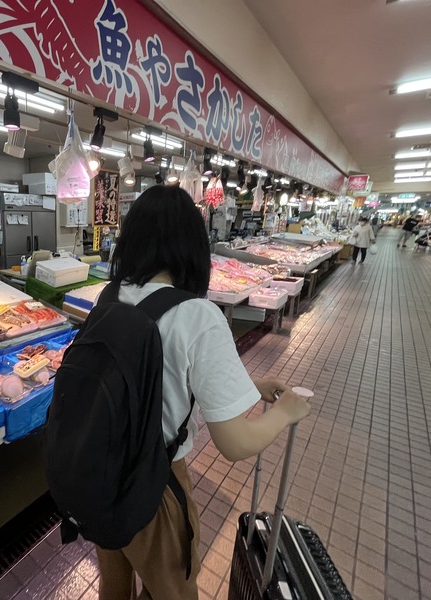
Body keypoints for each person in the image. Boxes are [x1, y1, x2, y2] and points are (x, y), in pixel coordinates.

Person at [97, 185, 311, 600]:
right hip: (154, 486)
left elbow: (149, 381)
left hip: (101, 474)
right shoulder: (197, 314)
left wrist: (249, 389)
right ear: (193, 248)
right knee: (173, 593)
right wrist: (285, 412)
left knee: (114, 588)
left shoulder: (110, 296)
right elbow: (234, 444)